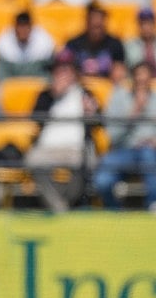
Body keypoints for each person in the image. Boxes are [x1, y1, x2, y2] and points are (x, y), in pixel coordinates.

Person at [92, 61, 156, 210]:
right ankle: (113, 209)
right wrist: (133, 113)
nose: (141, 82)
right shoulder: (118, 99)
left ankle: (155, 204)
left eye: (145, 79)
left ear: (151, 79)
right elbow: (112, 135)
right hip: (124, 150)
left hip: (153, 152)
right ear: (132, 79)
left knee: (148, 153)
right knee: (102, 180)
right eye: (138, 78)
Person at [24, 50, 101, 212]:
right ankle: (59, 207)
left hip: (76, 148)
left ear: (74, 72)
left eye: (66, 69)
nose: (62, 74)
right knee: (32, 161)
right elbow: (35, 118)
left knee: (87, 164)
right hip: (48, 147)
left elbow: (100, 122)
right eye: (58, 70)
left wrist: (91, 112)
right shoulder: (46, 95)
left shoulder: (85, 94)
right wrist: (53, 95)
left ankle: (62, 205)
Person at [64, 1, 126, 82]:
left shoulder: (115, 44)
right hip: (79, 85)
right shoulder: (73, 44)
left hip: (107, 85)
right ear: (87, 22)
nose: (96, 29)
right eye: (94, 25)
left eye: (99, 26)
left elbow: (119, 70)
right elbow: (65, 70)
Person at [0, 11, 56, 83]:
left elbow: (49, 73)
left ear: (31, 28)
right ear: (15, 28)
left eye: (26, 27)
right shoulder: (4, 44)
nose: (23, 31)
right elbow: (1, 76)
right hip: (13, 86)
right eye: (20, 27)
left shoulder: (45, 43)